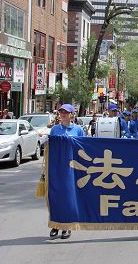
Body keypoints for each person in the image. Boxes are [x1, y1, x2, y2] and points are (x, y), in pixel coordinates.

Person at [48, 103, 85, 240]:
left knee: (69, 198)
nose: (63, 114)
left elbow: (83, 149)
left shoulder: (78, 130)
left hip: (72, 169)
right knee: (55, 197)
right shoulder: (54, 130)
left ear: (72, 114)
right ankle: (55, 225)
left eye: (66, 112)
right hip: (57, 169)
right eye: (61, 112)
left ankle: (67, 227)